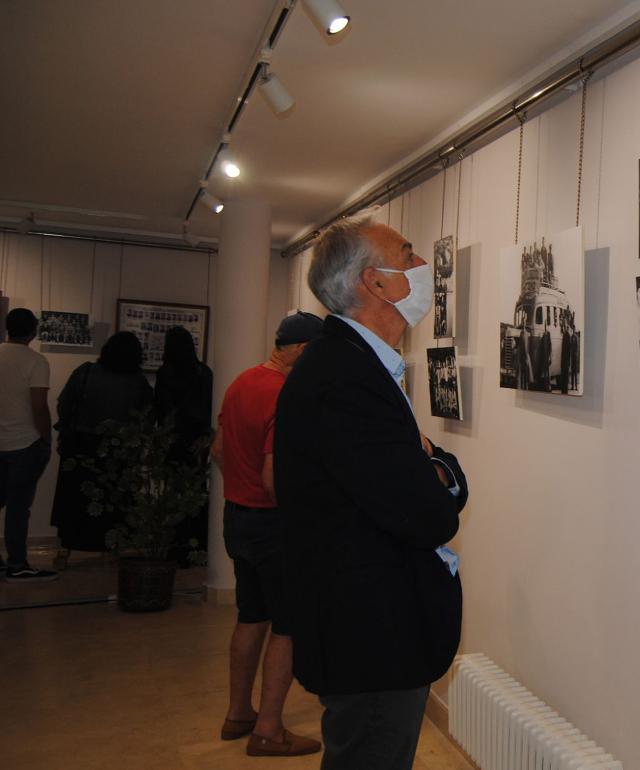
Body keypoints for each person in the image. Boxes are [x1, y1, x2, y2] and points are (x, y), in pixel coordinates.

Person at [275, 216, 468, 770]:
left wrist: (433, 469)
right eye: (407, 256)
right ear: (374, 283)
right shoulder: (345, 377)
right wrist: (432, 472)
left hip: (365, 627)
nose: (422, 267)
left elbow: (429, 472)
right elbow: (428, 514)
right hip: (371, 638)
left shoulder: (353, 365)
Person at [210, 311, 323, 758]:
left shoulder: (242, 383)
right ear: (303, 350)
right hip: (275, 525)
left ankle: (238, 713)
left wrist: (243, 488)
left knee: (250, 616)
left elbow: (219, 449)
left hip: (237, 517)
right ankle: (269, 731)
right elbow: (275, 478)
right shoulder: (286, 395)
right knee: (289, 627)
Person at [51, 332, 152, 558]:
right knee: (113, 502)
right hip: (120, 449)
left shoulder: (85, 372)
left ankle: (66, 548)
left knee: (74, 501)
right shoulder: (137, 382)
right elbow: (145, 416)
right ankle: (110, 549)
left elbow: (64, 404)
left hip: (80, 446)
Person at [0, 309, 57, 582]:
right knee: (18, 507)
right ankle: (17, 563)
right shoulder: (36, 361)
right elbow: (38, 406)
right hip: (25, 442)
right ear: (33, 330)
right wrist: (46, 437)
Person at [153, 326, 214, 569]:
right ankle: (198, 546)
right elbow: (210, 405)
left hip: (174, 439)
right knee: (197, 493)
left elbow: (162, 409)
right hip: (198, 439)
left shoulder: (165, 373)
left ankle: (177, 547)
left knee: (174, 493)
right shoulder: (203, 372)